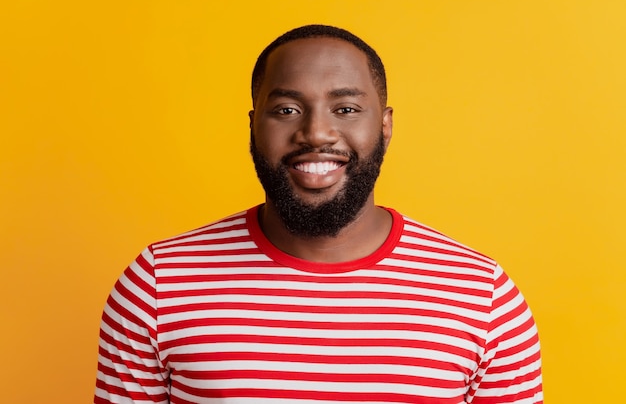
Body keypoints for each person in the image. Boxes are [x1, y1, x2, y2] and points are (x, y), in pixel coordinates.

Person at [94, 24, 543, 403]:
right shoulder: (158, 285)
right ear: (253, 126)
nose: (315, 133)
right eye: (287, 110)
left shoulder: (482, 297)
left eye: (346, 109)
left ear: (384, 126)